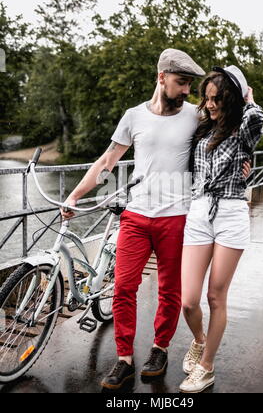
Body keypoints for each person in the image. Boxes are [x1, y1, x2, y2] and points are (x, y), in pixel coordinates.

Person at [61, 48, 206, 390]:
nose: (187, 90)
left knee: (171, 290)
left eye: (189, 84)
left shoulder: (195, 116)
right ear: (161, 77)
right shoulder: (133, 116)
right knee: (124, 287)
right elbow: (107, 162)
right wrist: (75, 195)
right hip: (136, 215)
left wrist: (239, 168)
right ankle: (124, 357)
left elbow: (225, 137)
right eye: (181, 82)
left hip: (176, 217)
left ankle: (160, 348)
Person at [179, 66, 263, 393]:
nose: (210, 104)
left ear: (231, 99)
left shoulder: (244, 130)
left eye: (217, 99)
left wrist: (249, 97)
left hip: (230, 212)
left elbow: (256, 118)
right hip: (200, 211)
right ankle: (200, 340)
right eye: (207, 98)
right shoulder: (202, 130)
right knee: (188, 300)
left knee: (216, 296)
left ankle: (206, 367)